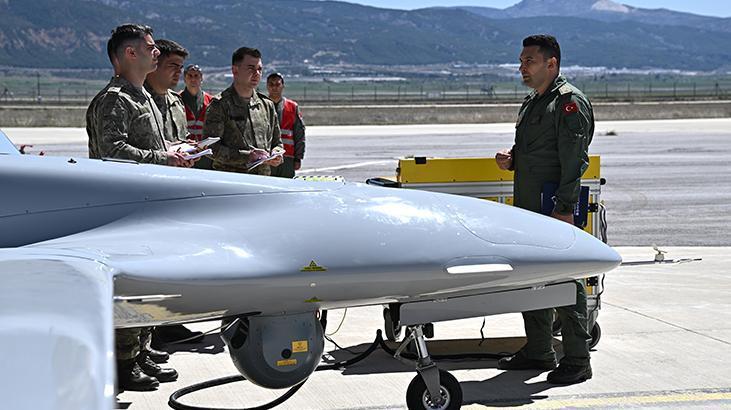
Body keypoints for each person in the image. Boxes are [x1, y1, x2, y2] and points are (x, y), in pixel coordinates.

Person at [86, 23, 190, 391]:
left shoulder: (143, 96)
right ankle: (123, 362)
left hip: (149, 207)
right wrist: (164, 157)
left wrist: (173, 151)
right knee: (130, 286)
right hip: (125, 210)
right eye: (149, 47)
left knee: (148, 283)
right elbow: (112, 153)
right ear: (130, 53)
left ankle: (140, 350)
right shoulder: (115, 99)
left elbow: (144, 147)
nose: (156, 52)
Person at [495, 34, 595, 385]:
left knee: (565, 277)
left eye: (529, 61)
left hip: (553, 207)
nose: (522, 68)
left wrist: (564, 208)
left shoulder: (569, 103)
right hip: (528, 207)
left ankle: (578, 359)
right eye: (521, 61)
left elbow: (574, 161)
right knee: (532, 275)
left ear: (551, 63)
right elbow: (539, 149)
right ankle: (539, 349)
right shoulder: (534, 101)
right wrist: (512, 159)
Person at [203, 47, 284, 175]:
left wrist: (276, 153)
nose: (257, 73)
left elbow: (277, 142)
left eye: (259, 69)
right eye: (251, 68)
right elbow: (210, 148)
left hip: (262, 179)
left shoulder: (266, 105)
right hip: (233, 180)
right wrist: (246, 157)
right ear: (235, 70)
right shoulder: (220, 105)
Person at [266, 72, 305, 178]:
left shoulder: (292, 107)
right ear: (267, 86)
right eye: (271, 84)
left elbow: (299, 134)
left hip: (287, 157)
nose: (274, 87)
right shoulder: (260, 105)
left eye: (277, 84)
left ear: (283, 86)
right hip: (266, 157)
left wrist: (298, 158)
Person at [181, 64, 214, 169]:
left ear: (201, 79)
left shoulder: (211, 101)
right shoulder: (177, 100)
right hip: (184, 155)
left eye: (196, 76)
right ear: (184, 79)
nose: (193, 79)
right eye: (189, 76)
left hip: (206, 156)